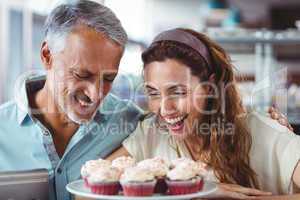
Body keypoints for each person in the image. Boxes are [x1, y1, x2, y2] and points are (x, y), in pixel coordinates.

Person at [107, 28, 300, 199]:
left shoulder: (262, 130)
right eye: (153, 93)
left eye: (179, 92)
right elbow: (87, 194)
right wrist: (191, 191)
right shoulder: (151, 135)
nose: (165, 109)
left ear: (210, 87)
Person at [0, 1, 143, 200]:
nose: (95, 95)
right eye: (82, 74)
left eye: (109, 78)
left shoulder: (132, 123)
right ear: (47, 55)